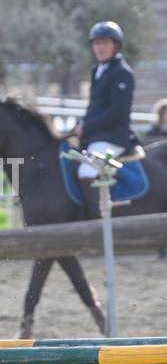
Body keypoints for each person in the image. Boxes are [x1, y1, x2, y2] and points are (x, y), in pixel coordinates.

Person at [73, 21, 135, 217]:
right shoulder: (97, 71)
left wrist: (87, 127)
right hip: (96, 136)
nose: (100, 48)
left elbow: (117, 113)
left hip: (112, 138)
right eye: (96, 43)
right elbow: (95, 107)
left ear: (115, 45)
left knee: (87, 171)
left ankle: (99, 217)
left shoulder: (122, 73)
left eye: (105, 43)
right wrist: (81, 124)